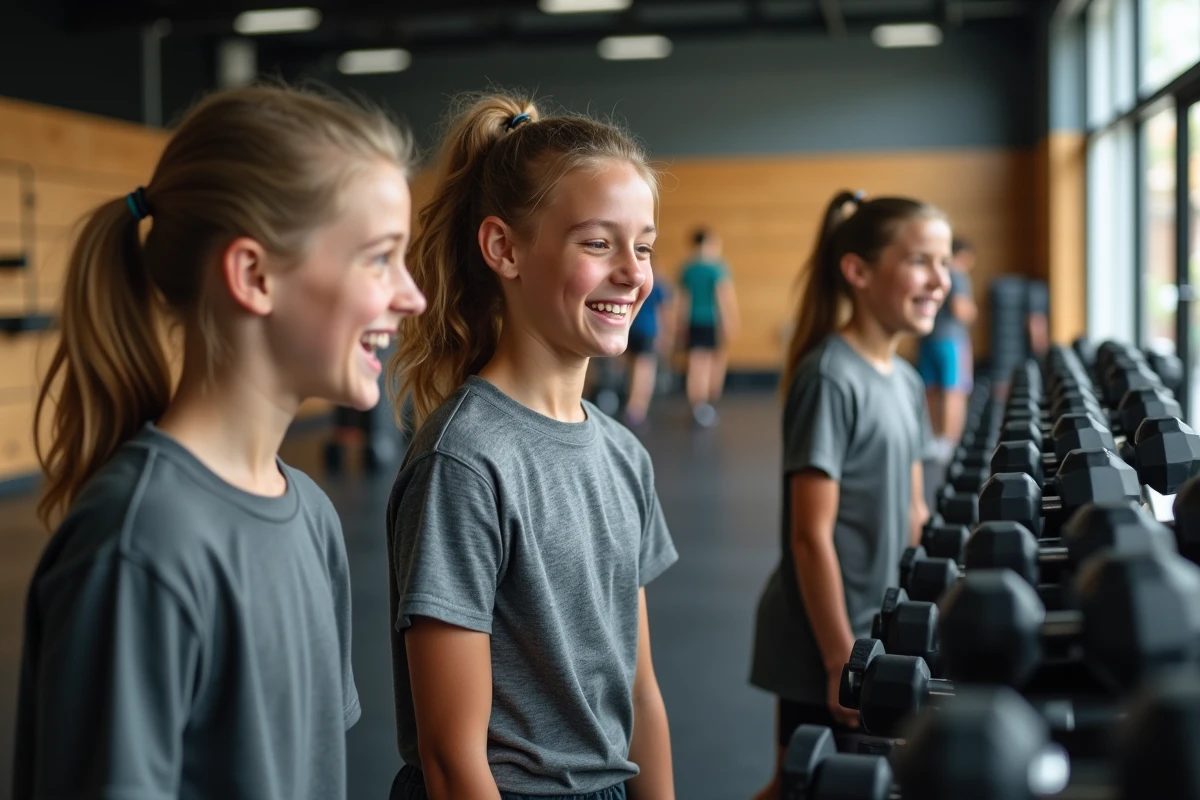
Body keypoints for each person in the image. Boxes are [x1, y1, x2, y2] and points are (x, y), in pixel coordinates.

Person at [14, 85, 426, 800]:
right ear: (253, 275)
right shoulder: (139, 546)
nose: (411, 295)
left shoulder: (315, 520)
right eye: (379, 259)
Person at [386, 93, 678, 800]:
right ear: (504, 248)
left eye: (643, 246)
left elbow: (640, 695)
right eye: (598, 243)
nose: (635, 272)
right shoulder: (465, 461)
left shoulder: (622, 455)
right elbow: (454, 760)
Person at [749, 191, 945, 798]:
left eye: (944, 263)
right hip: (822, 632)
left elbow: (915, 513)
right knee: (798, 786)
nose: (940, 280)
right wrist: (841, 658)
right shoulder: (829, 377)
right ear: (859, 272)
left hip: (875, 634)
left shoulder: (908, 382)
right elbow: (810, 535)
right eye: (920, 262)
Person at [916, 237, 978, 462]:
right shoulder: (957, 275)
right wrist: (974, 312)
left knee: (930, 391)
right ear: (963, 256)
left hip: (928, 339)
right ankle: (951, 443)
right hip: (951, 341)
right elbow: (961, 309)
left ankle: (932, 441)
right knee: (954, 392)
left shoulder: (930, 275)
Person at [677, 228, 739, 427]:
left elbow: (683, 300)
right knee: (714, 363)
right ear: (709, 243)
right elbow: (723, 297)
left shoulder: (687, 268)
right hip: (712, 321)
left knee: (696, 362)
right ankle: (708, 403)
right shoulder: (717, 268)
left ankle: (697, 405)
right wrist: (729, 321)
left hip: (693, 322)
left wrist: (681, 323)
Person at [622, 271, 671, 429]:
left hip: (630, 329)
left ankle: (633, 407)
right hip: (647, 331)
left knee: (633, 370)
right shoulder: (656, 284)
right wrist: (665, 335)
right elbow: (662, 312)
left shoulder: (632, 281)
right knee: (644, 372)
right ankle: (636, 410)